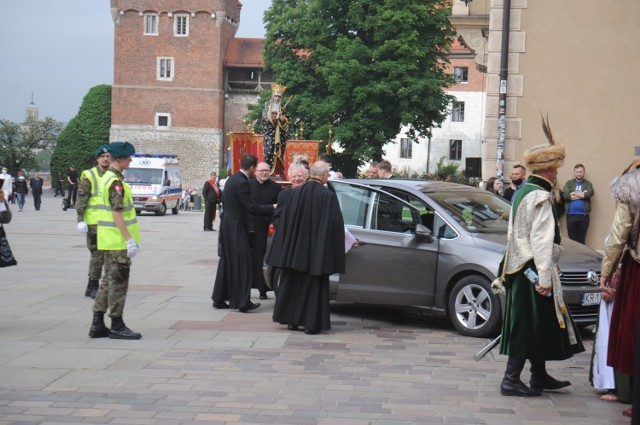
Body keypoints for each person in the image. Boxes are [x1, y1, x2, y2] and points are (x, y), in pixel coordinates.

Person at [492, 117, 584, 397]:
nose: (557, 174)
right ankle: (510, 380)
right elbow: (542, 241)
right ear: (548, 170)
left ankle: (539, 375)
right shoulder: (541, 197)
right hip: (533, 269)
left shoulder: (524, 192)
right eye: (555, 169)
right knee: (525, 325)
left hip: (519, 268)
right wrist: (544, 277)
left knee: (539, 322)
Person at [267, 161, 346, 334]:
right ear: (324, 175)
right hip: (315, 251)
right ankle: (311, 324)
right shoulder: (327, 196)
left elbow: (283, 222)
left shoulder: (294, 194)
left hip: (295, 250)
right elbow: (335, 225)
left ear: (310, 174)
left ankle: (292, 321)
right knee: (313, 286)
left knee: (293, 284)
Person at [599, 160, 640, 419]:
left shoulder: (631, 184)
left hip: (637, 269)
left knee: (635, 332)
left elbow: (618, 234)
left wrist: (607, 270)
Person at [88, 142, 142, 340]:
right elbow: (117, 212)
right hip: (118, 241)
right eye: (128, 157)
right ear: (119, 159)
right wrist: (129, 239)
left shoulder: (107, 177)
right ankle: (117, 324)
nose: (131, 160)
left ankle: (97, 323)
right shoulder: (115, 182)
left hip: (109, 240)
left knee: (106, 283)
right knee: (118, 283)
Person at [211, 154, 275, 312]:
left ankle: (219, 298)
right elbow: (251, 207)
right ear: (253, 168)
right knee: (242, 263)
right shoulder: (242, 183)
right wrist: (273, 207)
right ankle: (242, 302)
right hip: (236, 226)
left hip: (227, 224)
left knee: (226, 261)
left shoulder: (232, 179)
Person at [76, 145, 110, 299]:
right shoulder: (88, 175)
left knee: (107, 255)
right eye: (102, 156)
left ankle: (92, 285)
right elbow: (82, 198)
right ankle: (93, 285)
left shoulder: (113, 175)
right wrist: (80, 220)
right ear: (97, 159)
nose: (105, 159)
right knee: (97, 254)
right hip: (94, 222)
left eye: (108, 156)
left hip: (110, 222)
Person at [248, 162, 282, 300]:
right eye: (261, 170)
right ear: (255, 172)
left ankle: (263, 289)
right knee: (250, 259)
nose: (264, 173)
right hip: (250, 227)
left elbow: (279, 208)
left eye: (267, 170)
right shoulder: (248, 185)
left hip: (266, 228)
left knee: (263, 259)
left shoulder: (276, 188)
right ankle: (248, 288)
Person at [261, 84, 290, 176]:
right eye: (276, 96)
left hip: (280, 136)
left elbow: (287, 123)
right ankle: (268, 171)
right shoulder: (267, 107)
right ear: (273, 96)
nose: (277, 98)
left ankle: (278, 172)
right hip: (270, 134)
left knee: (279, 153)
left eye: (279, 97)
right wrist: (275, 119)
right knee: (269, 152)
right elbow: (265, 119)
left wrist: (282, 119)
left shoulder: (282, 109)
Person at [563, 164, 595, 245]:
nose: (579, 174)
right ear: (574, 172)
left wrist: (573, 193)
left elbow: (589, 194)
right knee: (572, 241)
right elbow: (566, 196)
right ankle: (574, 257)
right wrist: (582, 194)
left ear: (584, 172)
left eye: (581, 171)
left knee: (581, 240)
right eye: (577, 172)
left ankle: (581, 257)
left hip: (584, 216)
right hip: (571, 215)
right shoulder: (569, 183)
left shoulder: (588, 184)